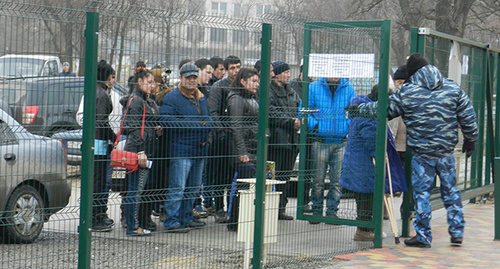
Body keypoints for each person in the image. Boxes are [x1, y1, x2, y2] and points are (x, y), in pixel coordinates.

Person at [349, 53, 478, 248]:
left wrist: (359, 109)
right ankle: (457, 232)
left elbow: (384, 109)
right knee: (451, 191)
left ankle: (423, 237)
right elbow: (468, 116)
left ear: (412, 73)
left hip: (422, 153)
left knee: (422, 194)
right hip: (446, 151)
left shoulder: (407, 91)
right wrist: (471, 139)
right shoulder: (452, 87)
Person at [340, 85, 407, 241]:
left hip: (360, 163)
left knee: (367, 197)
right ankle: (364, 231)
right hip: (364, 165)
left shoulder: (362, 108)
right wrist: (380, 155)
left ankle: (367, 229)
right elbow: (372, 140)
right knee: (366, 198)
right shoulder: (368, 115)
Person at [160, 62, 213, 233]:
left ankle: (186, 217)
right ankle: (171, 221)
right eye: (188, 77)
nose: (191, 80)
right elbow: (166, 121)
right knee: (178, 187)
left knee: (193, 188)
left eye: (194, 77)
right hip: (181, 150)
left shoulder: (201, 96)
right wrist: (196, 124)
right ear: (181, 78)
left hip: (200, 149)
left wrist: (205, 126)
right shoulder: (172, 97)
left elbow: (209, 120)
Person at [303, 76, 355, 224]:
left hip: (340, 141)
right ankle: (316, 211)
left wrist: (346, 127)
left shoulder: (348, 88)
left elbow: (353, 112)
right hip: (320, 140)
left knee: (337, 180)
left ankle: (332, 211)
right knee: (318, 180)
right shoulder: (313, 87)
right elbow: (304, 110)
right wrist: (316, 126)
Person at [122, 67, 160, 236]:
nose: (152, 85)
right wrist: (141, 151)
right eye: (149, 82)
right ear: (140, 81)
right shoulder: (137, 100)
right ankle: (133, 227)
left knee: (137, 190)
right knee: (135, 190)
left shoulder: (143, 100)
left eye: (153, 82)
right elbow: (135, 127)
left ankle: (134, 225)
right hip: (137, 152)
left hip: (142, 150)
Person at [207, 55, 241, 223]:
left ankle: (232, 208)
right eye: (232, 68)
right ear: (226, 70)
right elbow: (213, 111)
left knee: (233, 175)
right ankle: (219, 207)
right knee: (220, 175)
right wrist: (220, 131)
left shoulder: (242, 86)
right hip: (222, 137)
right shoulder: (218, 87)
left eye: (238, 67)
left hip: (238, 137)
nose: (236, 71)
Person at [226, 68, 260, 231]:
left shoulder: (253, 97)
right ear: (243, 82)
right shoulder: (236, 99)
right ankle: (235, 221)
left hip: (253, 148)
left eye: (257, 81)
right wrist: (242, 152)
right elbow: (236, 127)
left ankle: (245, 219)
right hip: (242, 151)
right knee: (243, 187)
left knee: (251, 186)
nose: (257, 84)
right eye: (253, 81)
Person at [268, 60, 301, 220]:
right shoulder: (268, 91)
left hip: (292, 142)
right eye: (286, 72)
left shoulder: (292, 91)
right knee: (272, 177)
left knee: (285, 178)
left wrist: (297, 120)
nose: (289, 75)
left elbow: (298, 109)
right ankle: (269, 208)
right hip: (276, 142)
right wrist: (291, 121)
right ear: (277, 74)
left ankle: (281, 208)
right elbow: (271, 113)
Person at [91, 60, 117, 232]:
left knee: (96, 181)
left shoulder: (93, 91)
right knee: (99, 182)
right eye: (112, 76)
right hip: (100, 143)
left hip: (93, 142)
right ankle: (96, 216)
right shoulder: (103, 95)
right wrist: (113, 137)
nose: (114, 80)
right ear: (107, 77)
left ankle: (96, 215)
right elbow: (102, 121)